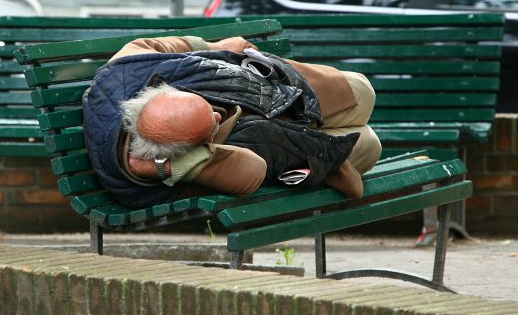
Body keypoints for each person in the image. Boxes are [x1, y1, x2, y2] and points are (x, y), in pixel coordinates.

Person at [82, 35, 381, 209]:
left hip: (268, 92)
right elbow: (253, 172)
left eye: (203, 107)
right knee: (369, 143)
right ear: (177, 150)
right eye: (209, 126)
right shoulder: (152, 167)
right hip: (280, 143)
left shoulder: (119, 75)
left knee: (362, 91)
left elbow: (151, 44)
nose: (216, 115)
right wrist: (168, 167)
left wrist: (211, 46)